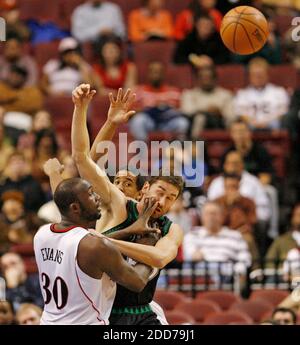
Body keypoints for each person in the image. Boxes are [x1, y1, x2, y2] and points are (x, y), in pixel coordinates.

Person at [71, 84, 184, 325]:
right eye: (160, 192)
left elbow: (160, 257)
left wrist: (103, 241)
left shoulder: (170, 228)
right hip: (102, 308)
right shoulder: (121, 205)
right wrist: (96, 116)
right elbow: (85, 160)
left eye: (170, 198)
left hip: (142, 310)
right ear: (145, 190)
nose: (162, 202)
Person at [34, 177, 158, 325]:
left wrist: (129, 230)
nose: (98, 197)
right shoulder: (94, 247)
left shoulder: (42, 234)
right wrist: (149, 247)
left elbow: (88, 242)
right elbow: (138, 282)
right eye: (91, 194)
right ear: (75, 208)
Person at [183, 201, 251, 281]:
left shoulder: (235, 236)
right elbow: (191, 255)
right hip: (200, 279)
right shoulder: (192, 235)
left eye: (214, 213)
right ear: (202, 217)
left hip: (228, 279)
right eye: (207, 213)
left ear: (222, 216)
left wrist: (237, 271)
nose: (211, 217)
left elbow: (245, 259)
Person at [129, 62, 189, 141]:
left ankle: (178, 149)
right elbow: (131, 112)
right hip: (149, 122)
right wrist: (148, 109)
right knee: (138, 120)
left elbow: (181, 111)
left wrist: (166, 109)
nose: (156, 75)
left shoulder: (173, 92)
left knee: (182, 123)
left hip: (167, 122)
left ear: (163, 74)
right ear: (148, 74)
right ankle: (142, 149)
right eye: (153, 72)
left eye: (159, 72)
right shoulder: (139, 91)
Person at [233, 57, 289, 130]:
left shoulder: (279, 92)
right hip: (250, 127)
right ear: (249, 76)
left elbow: (283, 112)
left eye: (260, 75)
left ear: (267, 74)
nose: (258, 78)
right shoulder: (242, 94)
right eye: (255, 75)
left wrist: (267, 122)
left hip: (273, 125)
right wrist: (252, 122)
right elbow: (240, 113)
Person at [213, 173, 259, 262]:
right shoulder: (217, 202)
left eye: (234, 187)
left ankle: (256, 271)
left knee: (249, 240)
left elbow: (252, 221)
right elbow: (216, 222)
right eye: (228, 187)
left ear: (239, 186)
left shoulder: (248, 202)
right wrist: (229, 205)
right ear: (224, 187)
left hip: (242, 233)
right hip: (222, 233)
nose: (231, 190)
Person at [181, 65, 234, 137]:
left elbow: (231, 115)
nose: (206, 81)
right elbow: (187, 111)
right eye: (203, 78)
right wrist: (207, 110)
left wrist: (220, 112)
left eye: (209, 78)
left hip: (219, 123)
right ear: (198, 79)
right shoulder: (189, 94)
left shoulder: (225, 95)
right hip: (194, 124)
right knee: (199, 118)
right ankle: (195, 142)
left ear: (215, 79)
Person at [265, 204, 300, 269]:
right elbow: (269, 263)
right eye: (298, 215)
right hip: (285, 277)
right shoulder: (281, 241)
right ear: (292, 217)